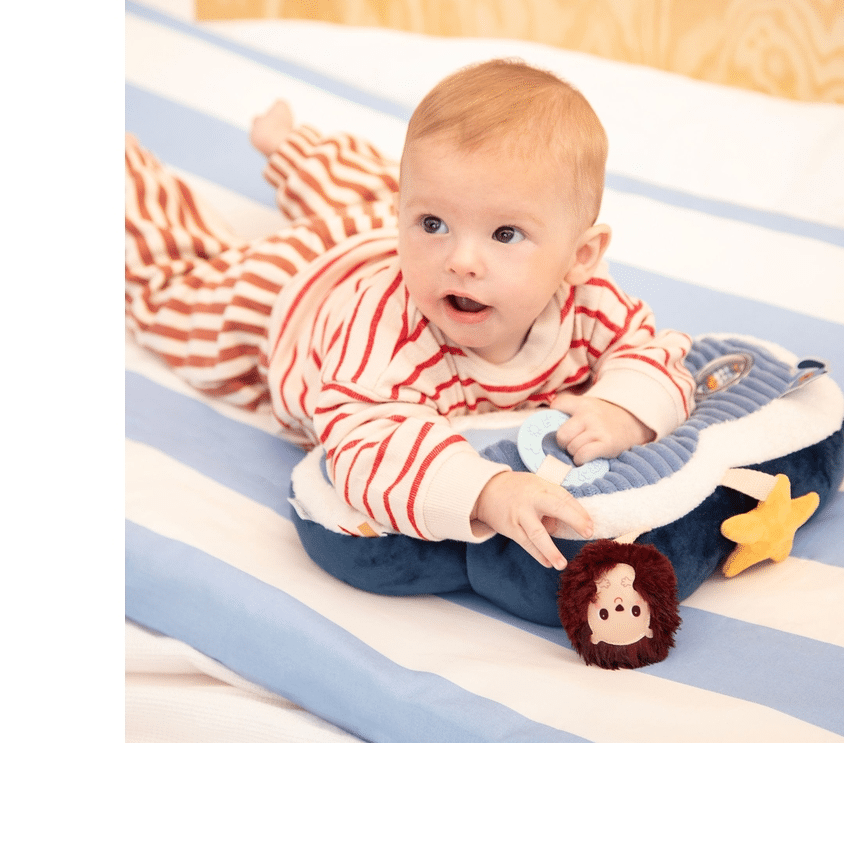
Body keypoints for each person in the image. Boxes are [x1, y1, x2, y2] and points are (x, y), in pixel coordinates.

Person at [125, 59, 695, 573]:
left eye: (505, 234)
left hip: (387, 230)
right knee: (171, 290)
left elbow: (650, 351)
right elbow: (369, 448)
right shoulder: (384, 338)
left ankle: (302, 153)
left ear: (579, 257)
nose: (462, 260)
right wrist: (486, 493)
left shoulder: (589, 303)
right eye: (431, 224)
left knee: (379, 195)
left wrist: (623, 411)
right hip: (293, 297)